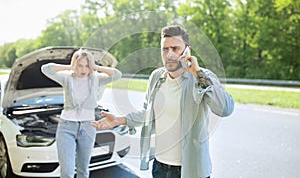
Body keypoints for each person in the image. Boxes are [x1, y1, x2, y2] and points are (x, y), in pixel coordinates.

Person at [91, 25, 234, 178]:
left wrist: (197, 73)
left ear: (187, 50)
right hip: (160, 167)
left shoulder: (202, 76)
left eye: (175, 48)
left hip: (191, 170)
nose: (169, 54)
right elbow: (149, 114)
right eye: (165, 49)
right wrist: (120, 120)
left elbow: (225, 108)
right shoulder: (156, 77)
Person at [41, 49, 122, 178]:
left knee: (83, 171)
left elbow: (117, 75)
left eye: (87, 66)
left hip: (88, 127)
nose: (83, 69)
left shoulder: (96, 79)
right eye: (80, 65)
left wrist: (96, 67)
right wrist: (70, 67)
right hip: (66, 127)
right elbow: (46, 69)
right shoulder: (66, 77)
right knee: (67, 172)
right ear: (75, 65)